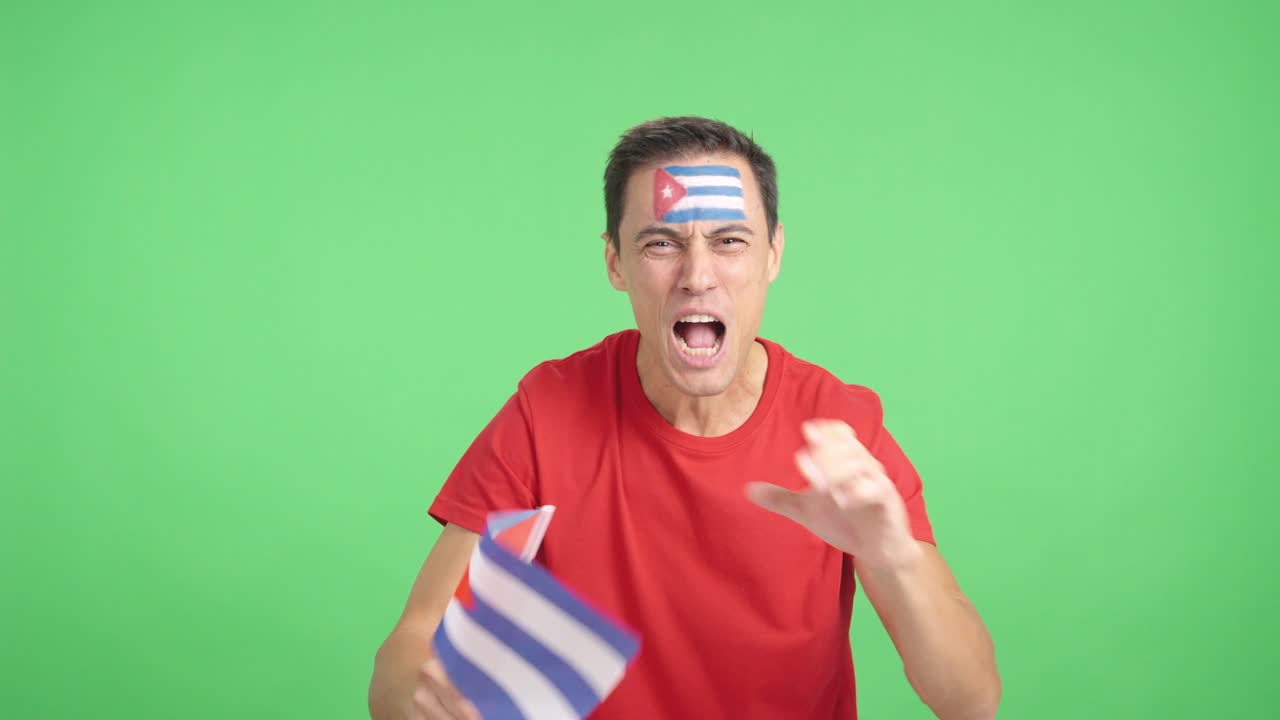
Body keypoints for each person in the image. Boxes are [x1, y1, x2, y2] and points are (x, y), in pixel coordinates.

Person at [369, 116, 1001, 720]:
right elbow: (409, 650)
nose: (698, 276)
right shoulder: (546, 414)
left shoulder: (840, 431)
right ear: (616, 262)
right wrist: (425, 695)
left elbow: (971, 702)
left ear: (773, 254)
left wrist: (894, 559)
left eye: (729, 241)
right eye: (661, 244)